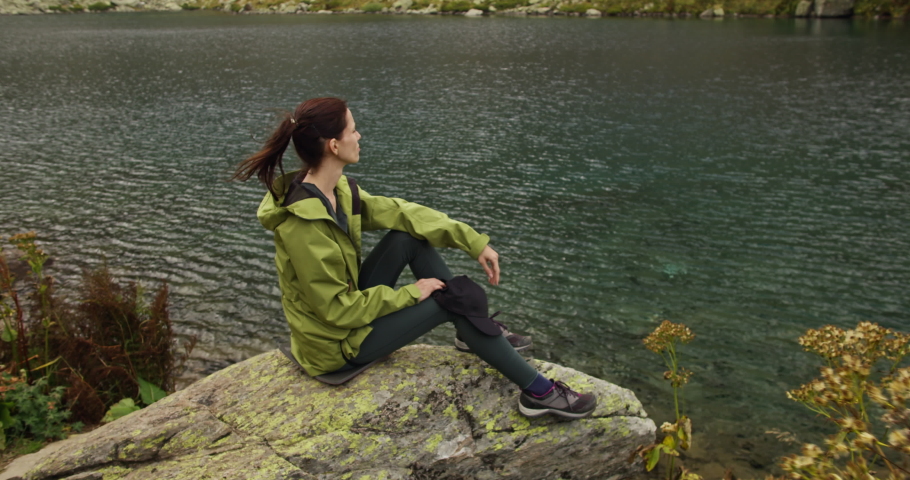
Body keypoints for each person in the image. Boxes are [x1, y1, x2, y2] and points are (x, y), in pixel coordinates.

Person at [233, 97, 596, 419]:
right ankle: (539, 393)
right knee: (451, 301)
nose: (360, 137)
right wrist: (412, 293)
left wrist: (472, 241)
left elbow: (402, 213)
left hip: (347, 318)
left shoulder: (334, 190)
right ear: (333, 144)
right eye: (354, 131)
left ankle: (473, 331)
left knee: (408, 236)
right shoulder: (304, 226)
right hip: (336, 345)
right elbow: (336, 311)